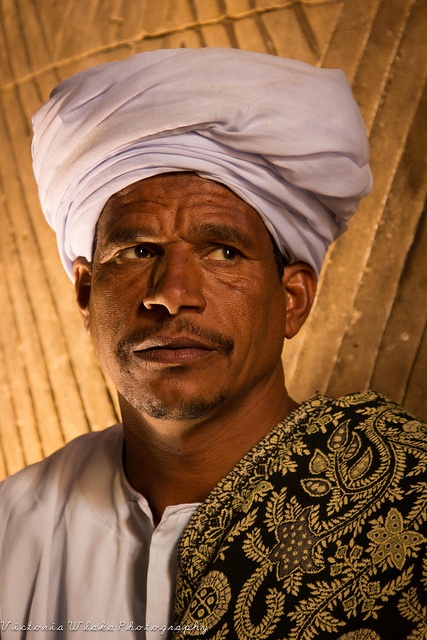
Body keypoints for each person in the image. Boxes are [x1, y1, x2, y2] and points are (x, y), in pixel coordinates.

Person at [0, 48, 426, 640]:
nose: (171, 295)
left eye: (222, 252)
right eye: (137, 251)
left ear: (294, 300)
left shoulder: (408, 502)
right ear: (86, 293)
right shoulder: (11, 534)